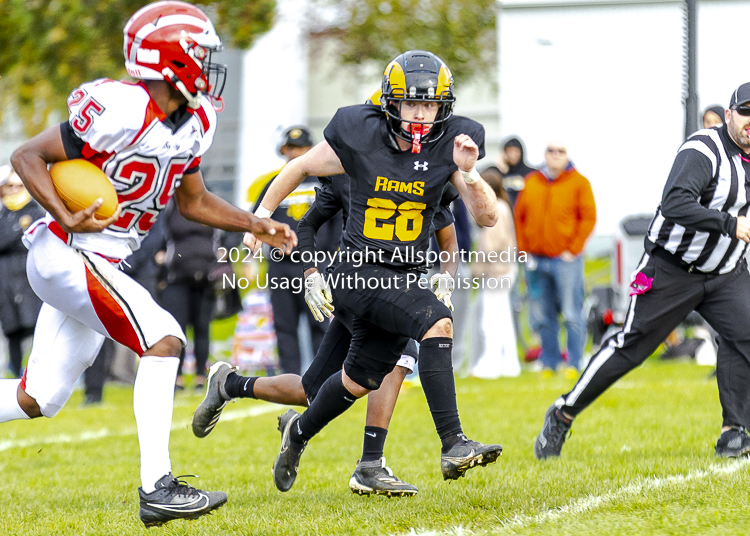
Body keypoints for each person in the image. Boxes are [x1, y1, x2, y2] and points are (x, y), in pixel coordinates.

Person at [6, 1, 295, 527]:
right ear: (172, 59)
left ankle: (156, 485)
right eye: (200, 54)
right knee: (164, 337)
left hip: (100, 263)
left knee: (39, 399)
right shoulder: (119, 107)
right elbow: (27, 156)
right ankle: (157, 487)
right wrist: (67, 217)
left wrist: (253, 222)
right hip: (66, 252)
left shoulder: (194, 121)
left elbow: (194, 201)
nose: (208, 65)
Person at [244, 49, 502, 493]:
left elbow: (487, 218)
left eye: (430, 104)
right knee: (435, 321)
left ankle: (299, 432)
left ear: (445, 106)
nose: (421, 114)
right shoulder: (359, 137)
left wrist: (471, 174)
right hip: (356, 271)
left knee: (360, 378)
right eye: (411, 103)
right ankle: (453, 442)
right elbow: (299, 167)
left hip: (402, 276)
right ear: (389, 103)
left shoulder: (449, 149)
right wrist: (259, 219)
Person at [193, 165, 460, 496]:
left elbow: (449, 236)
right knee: (399, 355)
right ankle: (370, 464)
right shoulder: (352, 163)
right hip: (356, 284)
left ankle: (231, 384)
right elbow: (309, 220)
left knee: (312, 391)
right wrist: (311, 272)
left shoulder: (421, 170)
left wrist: (447, 274)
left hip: (396, 288)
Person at [534, 81, 750, 461]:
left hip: (726, 271)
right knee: (631, 347)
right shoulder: (704, 149)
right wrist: (731, 224)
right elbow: (674, 203)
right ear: (730, 114)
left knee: (743, 335)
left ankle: (734, 431)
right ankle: (563, 413)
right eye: (746, 111)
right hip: (671, 268)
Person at [253, 126, 341, 375]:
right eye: (291, 149)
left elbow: (340, 219)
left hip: (318, 264)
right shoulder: (274, 183)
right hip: (281, 265)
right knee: (284, 326)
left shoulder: (327, 179)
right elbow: (257, 218)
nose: (296, 154)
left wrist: (332, 254)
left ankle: (324, 377)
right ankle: (290, 379)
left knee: (321, 323)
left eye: (301, 149)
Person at [514, 142, 596, 376]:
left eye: (560, 151)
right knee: (542, 313)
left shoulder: (579, 183)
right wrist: (524, 249)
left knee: (571, 312)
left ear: (568, 155)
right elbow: (519, 217)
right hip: (536, 260)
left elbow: (588, 218)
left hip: (565, 260)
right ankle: (549, 362)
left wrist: (574, 249)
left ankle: (574, 362)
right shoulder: (531, 182)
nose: (555, 155)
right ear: (545, 154)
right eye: (551, 151)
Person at [158, 201, 220, 390]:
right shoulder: (170, 206)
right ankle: (177, 376)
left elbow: (227, 235)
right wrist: (159, 255)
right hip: (176, 276)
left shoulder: (211, 203)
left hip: (206, 276)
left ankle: (201, 375)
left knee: (202, 326)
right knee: (177, 328)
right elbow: (160, 234)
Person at [470, 168, 520, 379]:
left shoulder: (495, 209)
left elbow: (490, 249)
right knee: (503, 319)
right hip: (505, 270)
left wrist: (477, 271)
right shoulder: (504, 206)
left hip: (495, 272)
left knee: (489, 320)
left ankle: (489, 365)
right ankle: (509, 364)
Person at [0, 167, 45, 378]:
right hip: (5, 280)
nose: (14, 190)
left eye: (19, 185)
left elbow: (31, 240)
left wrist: (14, 235)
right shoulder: (3, 214)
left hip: (28, 278)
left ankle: (39, 372)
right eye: (10, 186)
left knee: (35, 327)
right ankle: (16, 372)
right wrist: (17, 232)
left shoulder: (35, 211)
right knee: (12, 331)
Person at [486, 137, 536, 209]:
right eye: (509, 151)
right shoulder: (496, 172)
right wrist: (500, 168)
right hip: (504, 212)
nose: (513, 154)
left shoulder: (530, 173)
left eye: (516, 151)